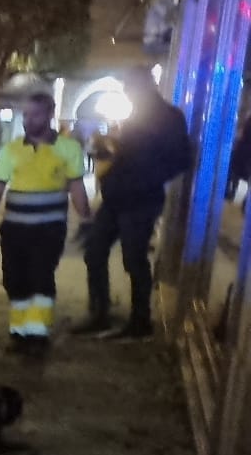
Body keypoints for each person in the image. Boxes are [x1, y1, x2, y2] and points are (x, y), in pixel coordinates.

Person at [78, 68, 192, 339]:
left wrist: (147, 178)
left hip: (141, 200)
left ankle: (140, 321)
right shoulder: (134, 117)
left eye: (129, 87)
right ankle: (100, 313)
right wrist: (108, 152)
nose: (127, 92)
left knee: (134, 259)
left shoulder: (169, 117)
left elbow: (181, 159)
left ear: (145, 87)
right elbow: (128, 155)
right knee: (94, 250)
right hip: (117, 197)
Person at [0, 92, 90, 357]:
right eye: (26, 115)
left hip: (48, 229)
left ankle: (38, 336)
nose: (29, 120)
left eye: (36, 115)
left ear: (50, 114)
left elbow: (76, 187)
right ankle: (19, 333)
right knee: (14, 280)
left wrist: (86, 219)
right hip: (15, 228)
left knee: (40, 278)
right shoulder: (11, 149)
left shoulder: (68, 148)